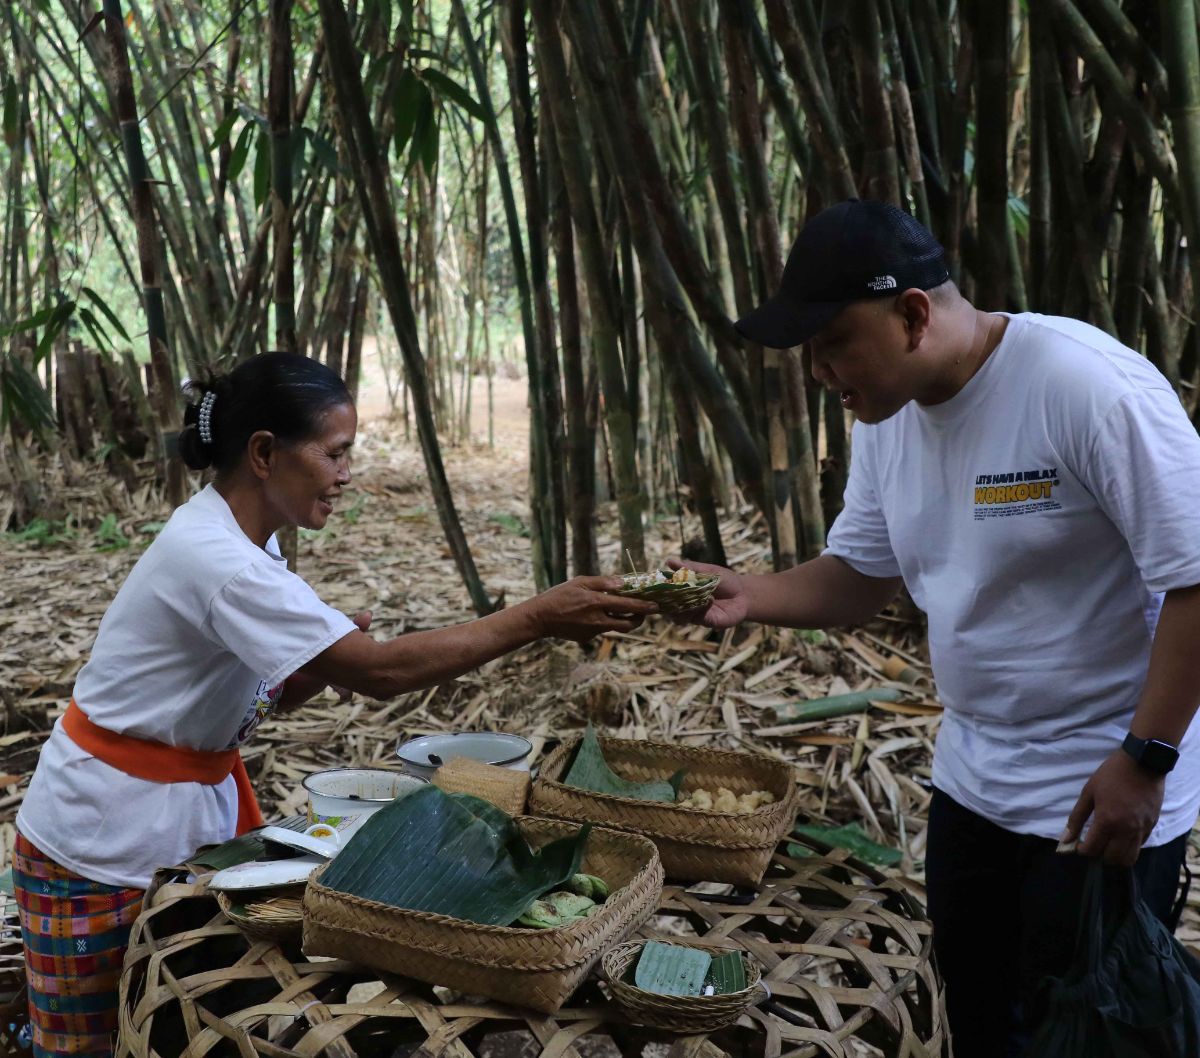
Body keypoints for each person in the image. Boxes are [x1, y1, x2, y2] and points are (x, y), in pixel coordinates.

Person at [12, 352, 656, 1058]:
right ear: (264, 453)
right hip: (99, 840)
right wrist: (535, 618)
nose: (347, 474)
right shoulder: (217, 557)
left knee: (170, 1024)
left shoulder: (249, 542)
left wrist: (316, 650)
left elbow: (273, 688)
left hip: (175, 822)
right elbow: (378, 676)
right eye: (335, 453)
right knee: (92, 1045)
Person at [675, 199, 1200, 1057]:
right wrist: (745, 593)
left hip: (1100, 792)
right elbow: (858, 577)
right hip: (975, 784)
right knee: (985, 1021)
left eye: (832, 341)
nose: (818, 370)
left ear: (912, 314)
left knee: (1097, 1035)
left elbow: (1196, 579)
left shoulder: (1084, 387)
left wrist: (1146, 759)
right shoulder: (890, 418)